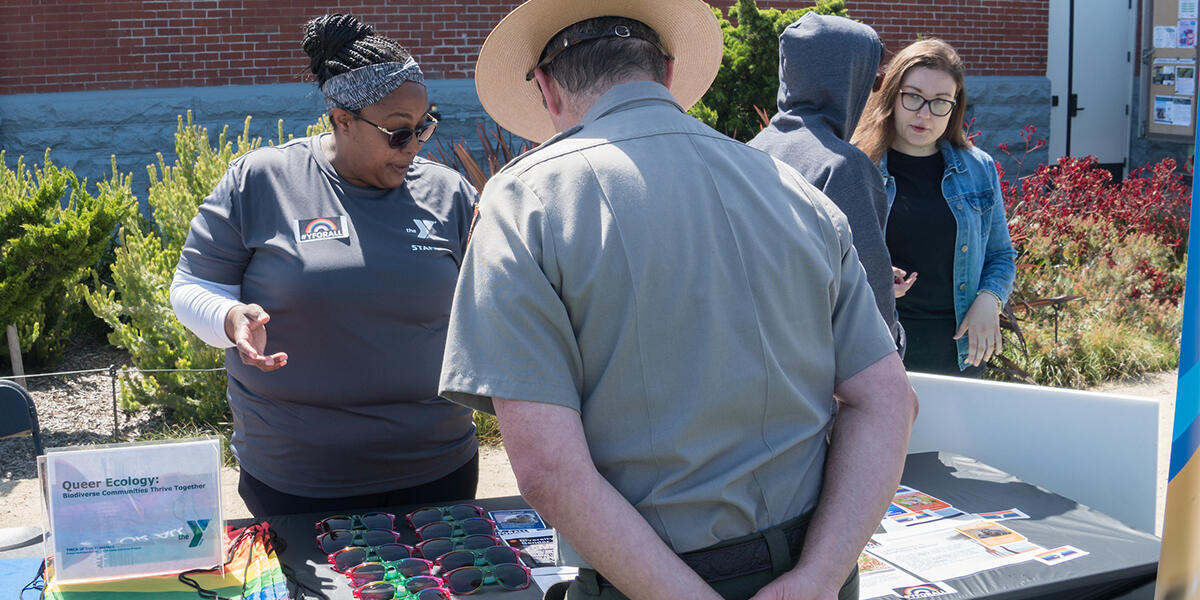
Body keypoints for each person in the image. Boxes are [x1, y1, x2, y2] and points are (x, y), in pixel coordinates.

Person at [438, 1, 919, 599]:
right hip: (811, 571)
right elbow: (888, 401)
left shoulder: (524, 202)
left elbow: (547, 468)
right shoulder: (798, 194)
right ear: (667, 73)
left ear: (547, 89)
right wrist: (817, 579)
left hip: (646, 580)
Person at [170, 13, 478, 517]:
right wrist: (229, 319)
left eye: (425, 126)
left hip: (436, 467)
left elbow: (499, 302)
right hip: (297, 477)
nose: (416, 145)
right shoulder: (263, 181)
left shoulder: (449, 194)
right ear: (341, 119)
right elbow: (191, 287)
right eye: (398, 133)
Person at [851, 39, 1017, 377]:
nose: (924, 114)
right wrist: (875, 275)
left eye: (940, 102)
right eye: (913, 96)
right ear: (892, 95)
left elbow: (1000, 255)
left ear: (955, 107)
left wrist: (990, 298)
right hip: (876, 352)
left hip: (960, 352)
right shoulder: (857, 166)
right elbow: (829, 259)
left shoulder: (978, 169)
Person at [748, 13, 903, 354]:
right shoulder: (843, 167)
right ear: (849, 81)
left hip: (748, 361)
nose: (873, 95)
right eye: (872, 82)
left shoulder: (748, 152)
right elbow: (870, 301)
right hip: (814, 374)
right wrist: (896, 343)